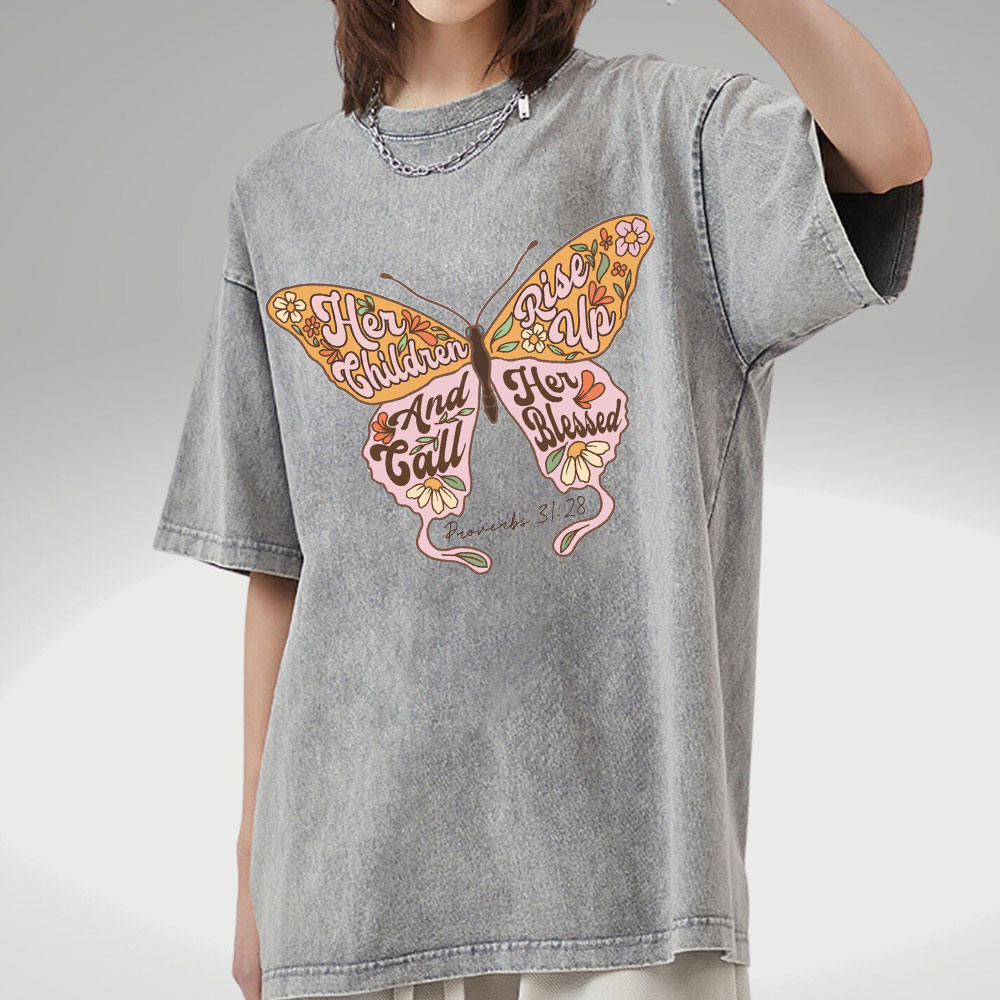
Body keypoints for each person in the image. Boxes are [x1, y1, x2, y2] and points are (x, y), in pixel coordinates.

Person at [151, 1, 930, 999]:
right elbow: (280, 560)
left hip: (626, 881)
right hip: (350, 881)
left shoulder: (663, 133)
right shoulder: (280, 195)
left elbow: (886, 154)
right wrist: (252, 861)